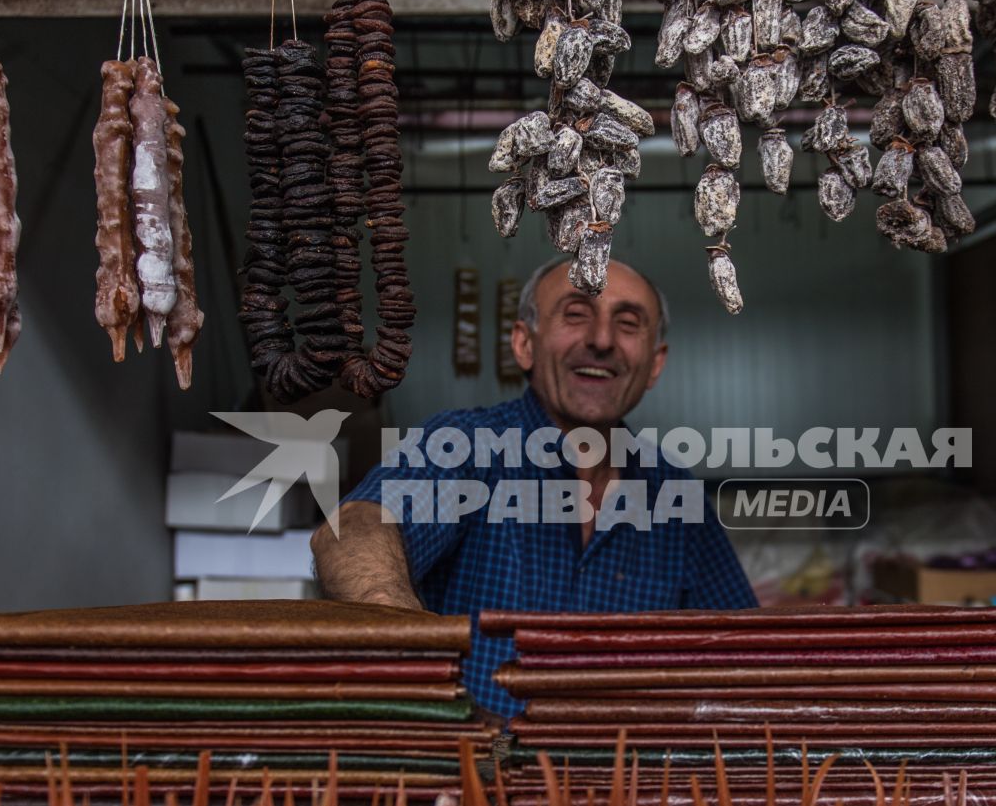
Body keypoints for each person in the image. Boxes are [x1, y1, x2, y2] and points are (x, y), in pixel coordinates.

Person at [311, 257, 756, 716]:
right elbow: (350, 531)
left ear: (655, 364)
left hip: (618, 781)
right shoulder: (464, 448)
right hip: (469, 775)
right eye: (576, 314)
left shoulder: (674, 495)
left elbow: (748, 655)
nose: (601, 340)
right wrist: (422, 675)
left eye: (628, 323)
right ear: (524, 344)